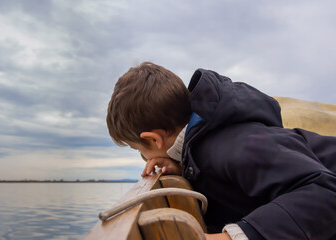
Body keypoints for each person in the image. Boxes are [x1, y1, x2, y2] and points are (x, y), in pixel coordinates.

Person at [106, 62, 336, 240]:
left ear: (153, 139)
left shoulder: (233, 144)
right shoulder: (209, 144)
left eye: (138, 150)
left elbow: (325, 192)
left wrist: (232, 236)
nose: (144, 158)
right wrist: (182, 167)